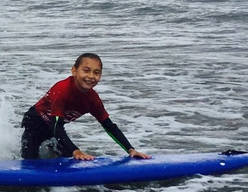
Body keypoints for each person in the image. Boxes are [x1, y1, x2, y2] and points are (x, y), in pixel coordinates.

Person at [20, 53, 151, 161]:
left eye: (96, 73)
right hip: (34, 122)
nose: (91, 77)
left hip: (54, 129)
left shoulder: (92, 99)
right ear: (74, 71)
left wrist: (130, 149)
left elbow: (109, 126)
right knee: (31, 160)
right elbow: (56, 126)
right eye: (86, 70)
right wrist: (75, 151)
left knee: (65, 159)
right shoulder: (62, 89)